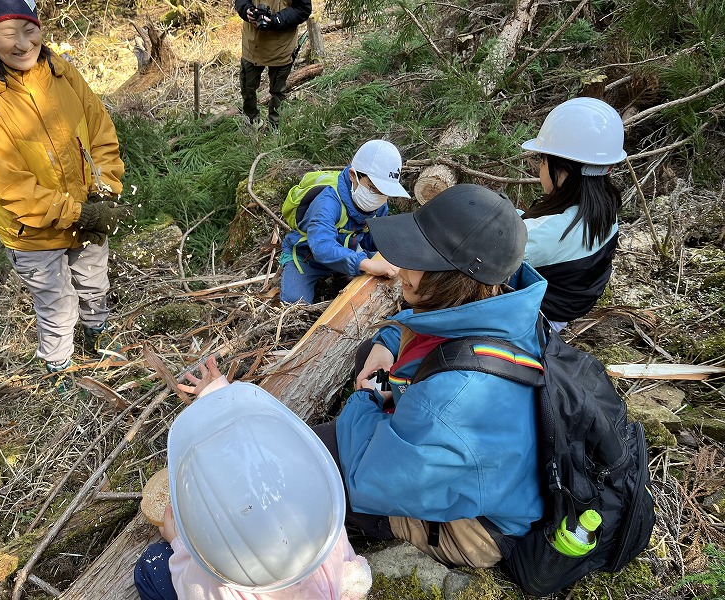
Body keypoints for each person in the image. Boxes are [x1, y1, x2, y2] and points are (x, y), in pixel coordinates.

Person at [312, 184, 548, 569]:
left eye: (417, 259)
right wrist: (387, 344)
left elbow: (369, 479)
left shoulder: (451, 400)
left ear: (454, 278)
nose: (401, 270)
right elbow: (433, 328)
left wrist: (368, 399)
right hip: (463, 450)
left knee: (317, 458)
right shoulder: (507, 300)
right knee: (369, 354)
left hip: (475, 528)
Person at [0, 0, 132, 393]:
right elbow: (11, 184)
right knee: (57, 303)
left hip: (86, 208)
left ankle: (97, 334)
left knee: (94, 280)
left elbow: (101, 133)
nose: (23, 43)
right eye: (8, 33)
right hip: (32, 230)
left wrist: (105, 190)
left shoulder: (62, 73)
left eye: (29, 29)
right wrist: (81, 213)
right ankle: (58, 364)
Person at [133, 356, 372, 600]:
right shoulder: (322, 517)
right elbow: (261, 437)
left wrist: (179, 545)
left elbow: (191, 586)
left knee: (152, 565)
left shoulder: (222, 588)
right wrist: (216, 395)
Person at [520, 97, 627, 331]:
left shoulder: (550, 234)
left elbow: (490, 253)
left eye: (542, 160)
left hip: (534, 321)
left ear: (563, 170)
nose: (540, 167)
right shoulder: (604, 209)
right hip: (566, 307)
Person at [279, 139, 409, 304]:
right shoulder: (328, 201)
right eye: (373, 188)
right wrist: (367, 264)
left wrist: (396, 243)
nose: (379, 197)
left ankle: (346, 271)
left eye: (385, 191)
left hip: (349, 252)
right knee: (294, 302)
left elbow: (371, 240)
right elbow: (322, 246)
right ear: (353, 175)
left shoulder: (379, 203)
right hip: (308, 257)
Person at [234, 0, 312, 129]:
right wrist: (246, 10)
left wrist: (276, 20)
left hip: (282, 46)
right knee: (247, 89)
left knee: (278, 92)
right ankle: (252, 122)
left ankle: (274, 125)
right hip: (252, 44)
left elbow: (303, 9)